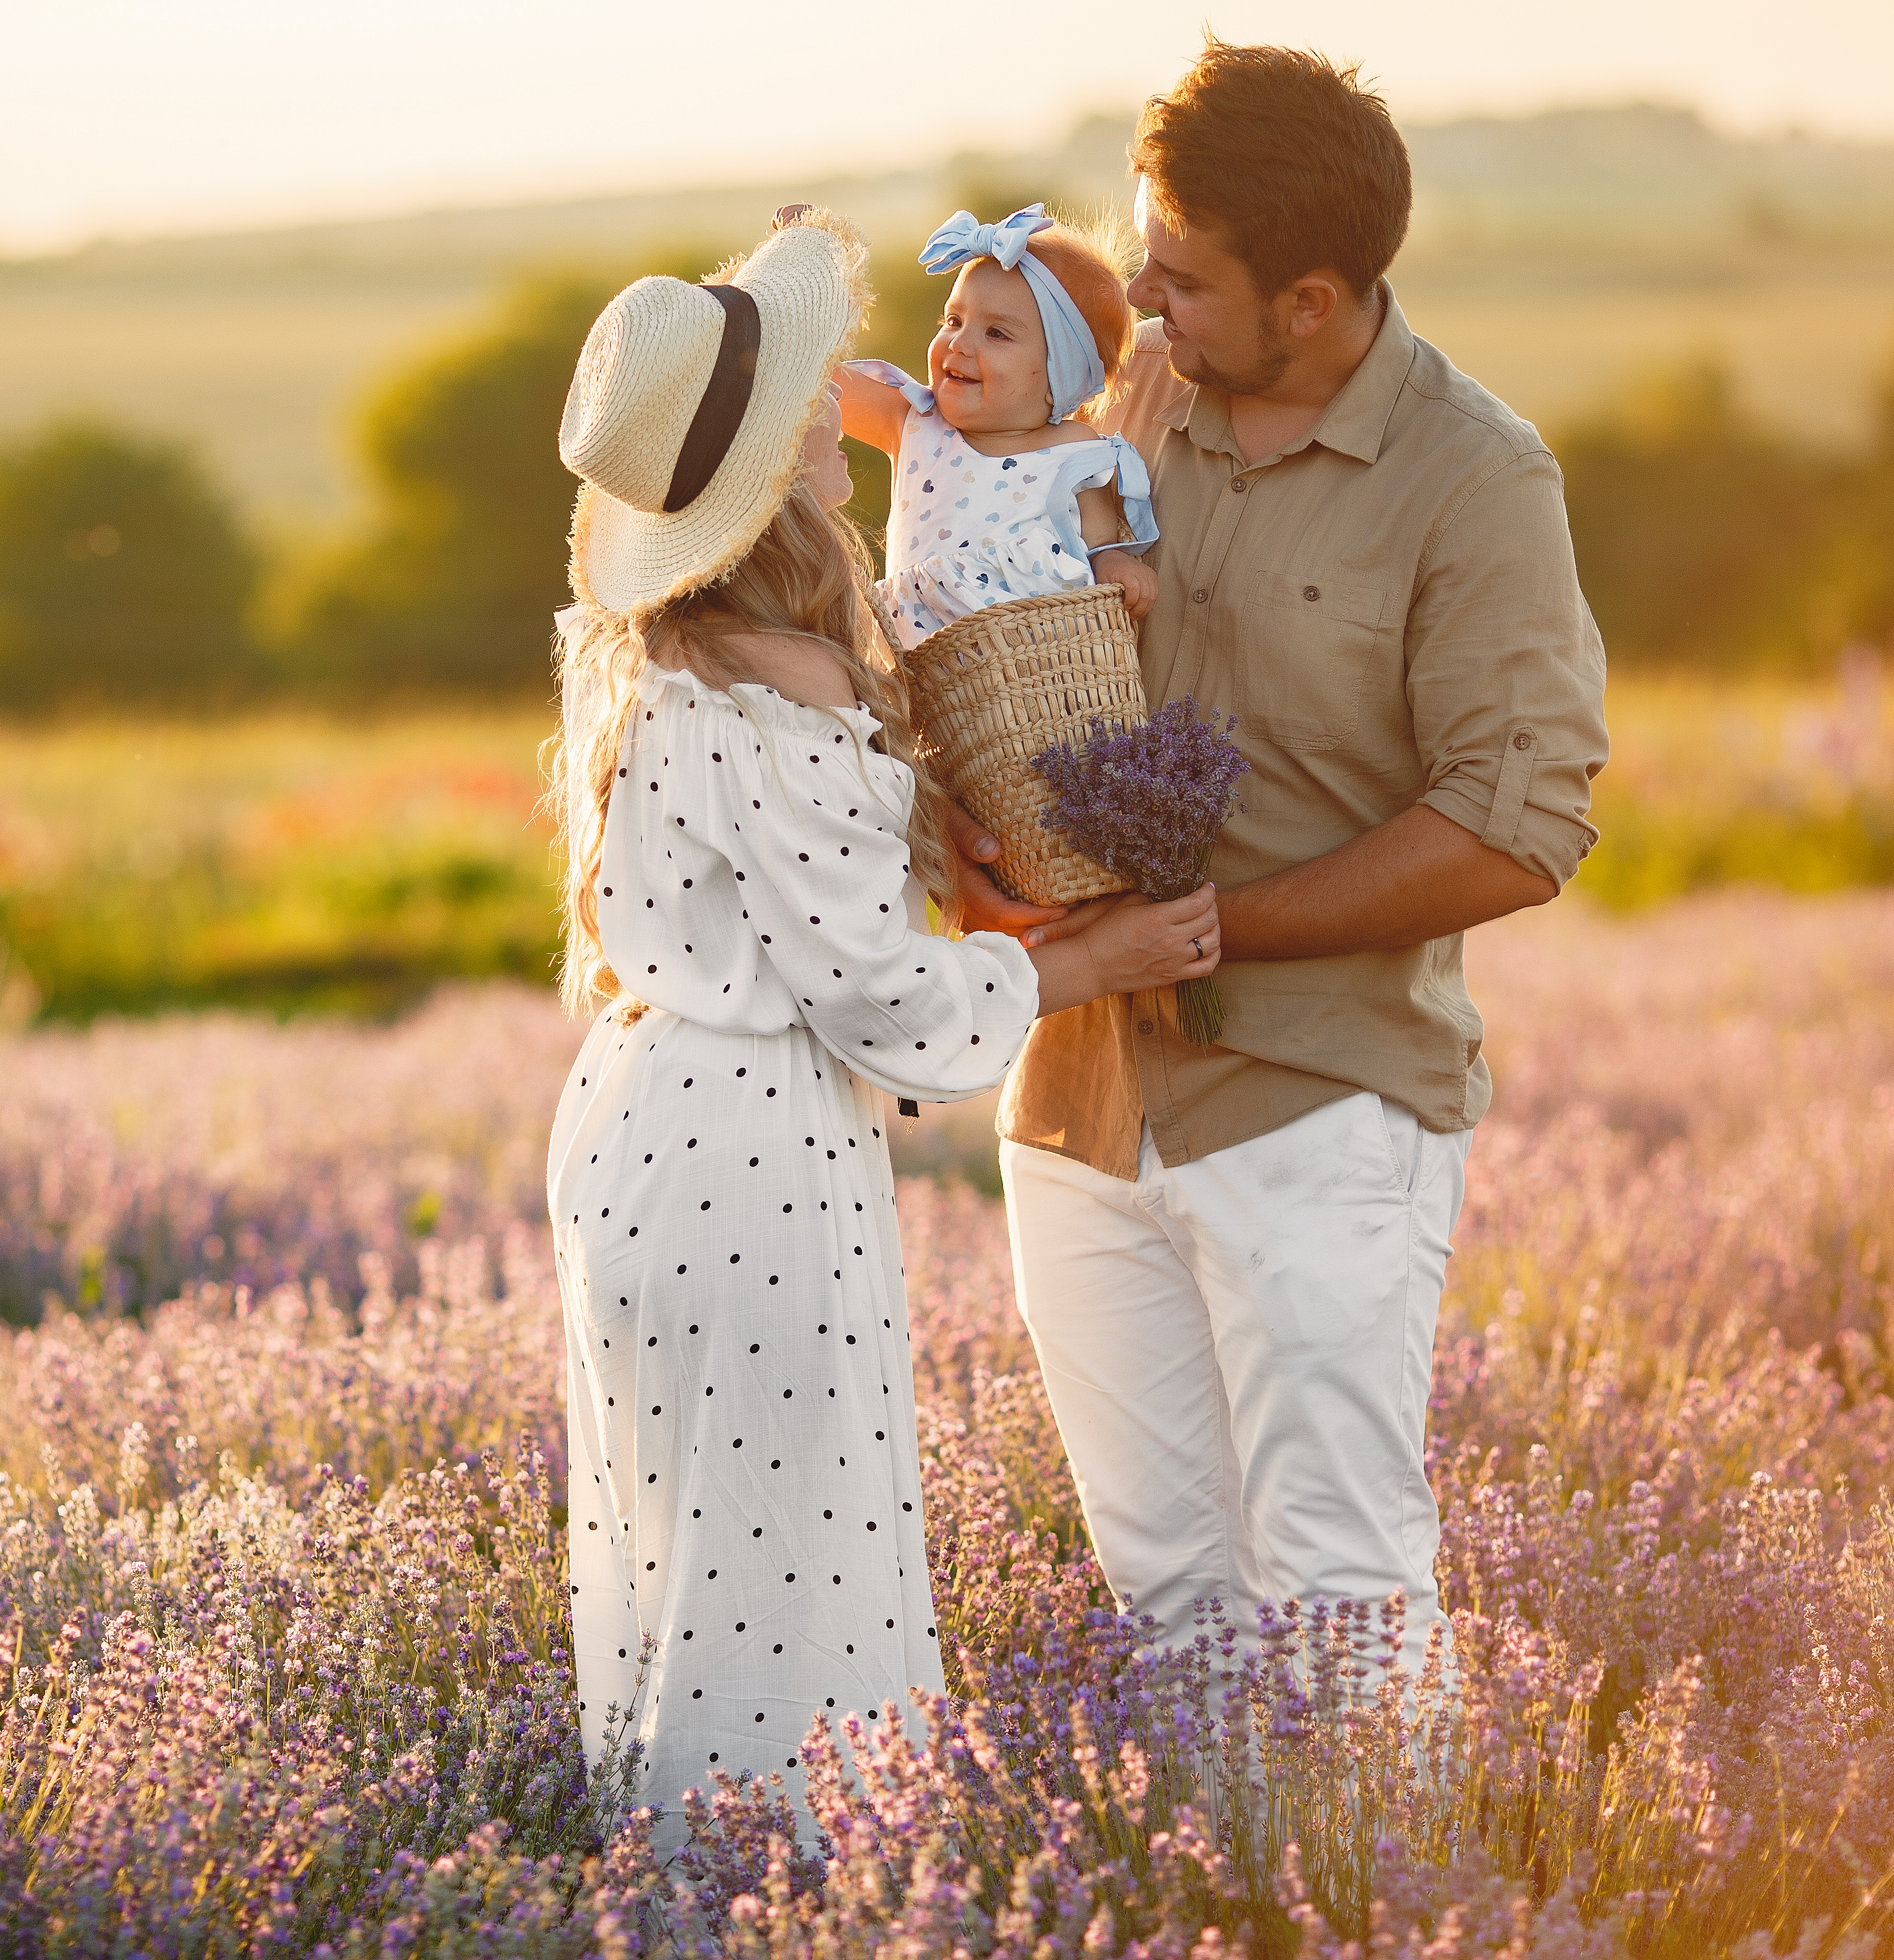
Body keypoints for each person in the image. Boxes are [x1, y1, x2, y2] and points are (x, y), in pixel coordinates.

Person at [541, 208, 1220, 1833]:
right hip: (753, 1155)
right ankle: (797, 1894)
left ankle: (672, 1885)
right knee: (791, 1566)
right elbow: (881, 996)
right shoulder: (792, 678)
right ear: (777, 471)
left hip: (631, 1129)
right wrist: (1082, 958)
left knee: (675, 1557)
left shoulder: (645, 653)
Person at [957, 44, 1613, 1676]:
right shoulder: (1136, 402)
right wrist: (971, 838)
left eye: (1178, 283)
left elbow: (1518, 822)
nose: (1142, 312)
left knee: (1337, 1586)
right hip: (1080, 1095)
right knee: (1167, 1600)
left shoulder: (1477, 476)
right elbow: (1006, 632)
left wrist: (1206, 932)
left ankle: (1406, 1923)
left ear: (1312, 298)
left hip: (1320, 1100)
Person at [828, 203, 1161, 642]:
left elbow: (1100, 543)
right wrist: (812, 257)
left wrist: (1116, 564)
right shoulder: (915, 424)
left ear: (1057, 377)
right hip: (920, 674)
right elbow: (817, 379)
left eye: (997, 333)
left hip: (1029, 681)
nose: (960, 343)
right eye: (953, 320)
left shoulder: (1077, 451)